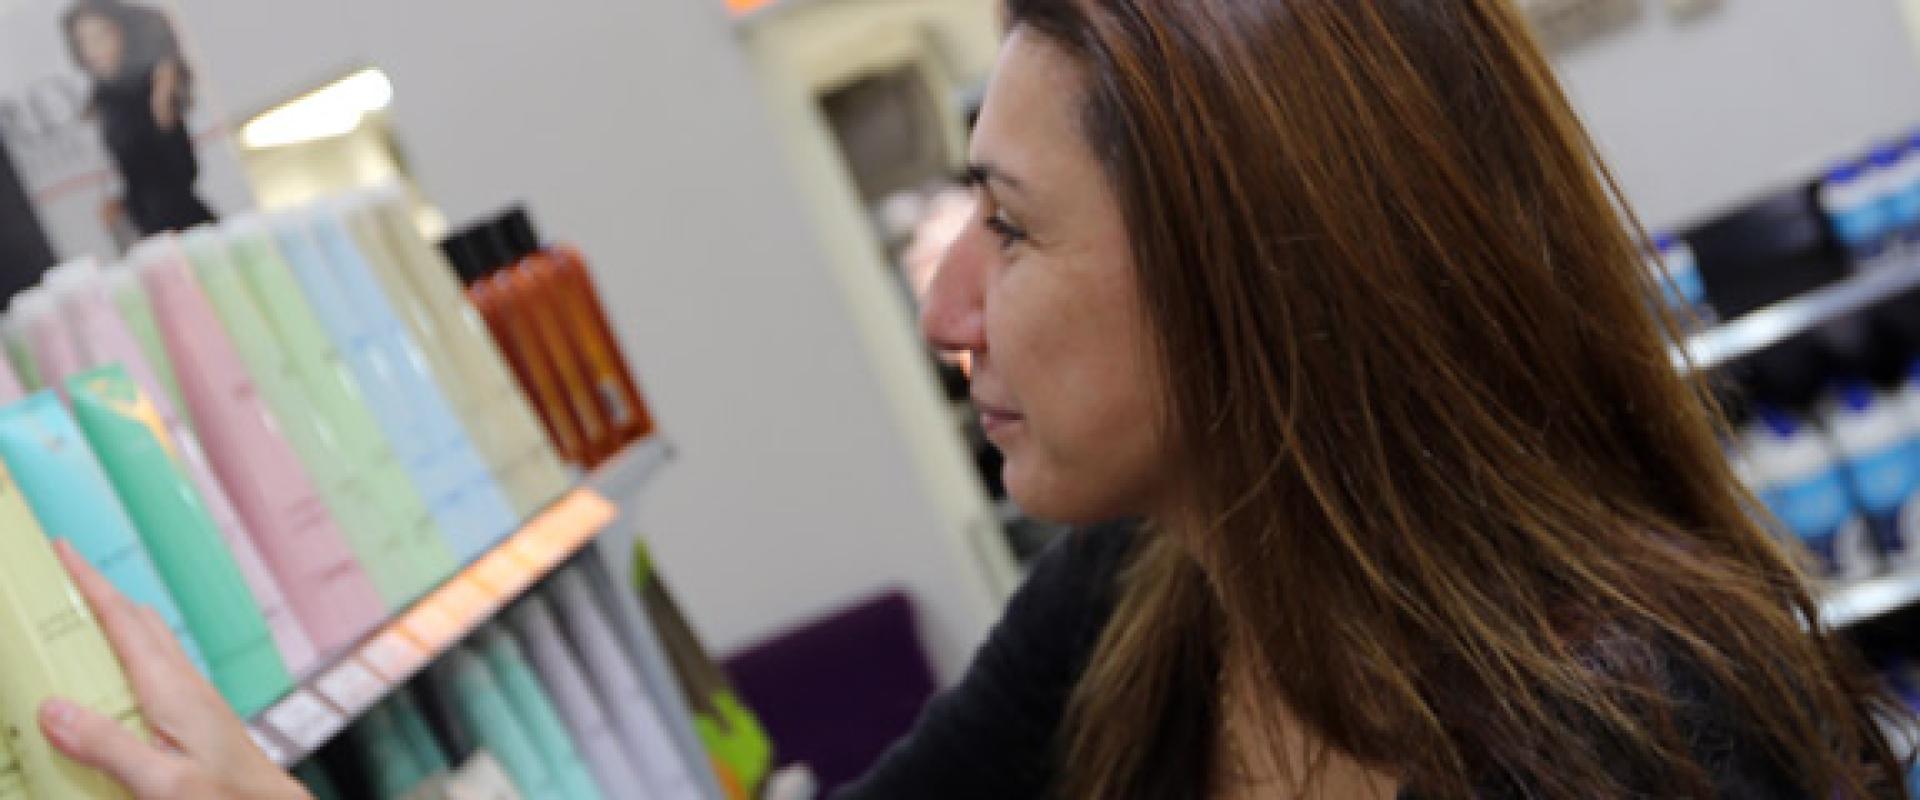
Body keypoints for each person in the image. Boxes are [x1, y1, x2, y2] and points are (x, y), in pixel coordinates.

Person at [32, 0, 1910, 798]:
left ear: (1256, 284)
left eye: (1005, 228)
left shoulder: (1633, 735)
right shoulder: (1155, 598)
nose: (944, 299)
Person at [64, 0, 217, 237]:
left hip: (185, 226)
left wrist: (163, 100)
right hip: (150, 230)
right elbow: (133, 177)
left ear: (120, 33)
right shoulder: (104, 100)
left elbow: (180, 171)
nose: (93, 50)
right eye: (83, 42)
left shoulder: (151, 86)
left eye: (100, 37)